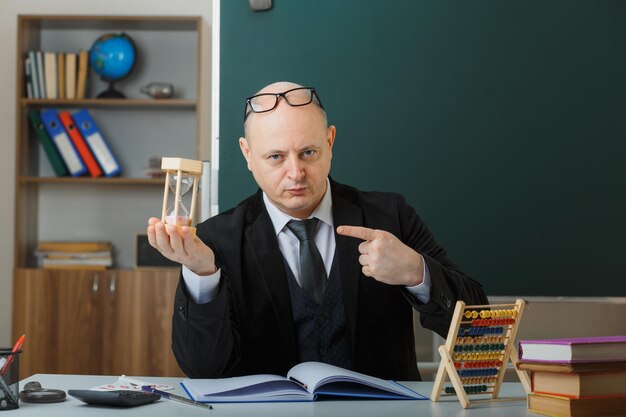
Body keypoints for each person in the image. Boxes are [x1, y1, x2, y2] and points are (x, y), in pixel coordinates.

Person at [147, 81, 488, 381]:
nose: (296, 173)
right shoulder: (215, 240)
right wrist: (203, 275)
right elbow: (204, 370)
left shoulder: (389, 216)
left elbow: (479, 330)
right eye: (276, 157)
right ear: (248, 154)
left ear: (330, 140)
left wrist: (417, 272)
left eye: (308, 152)